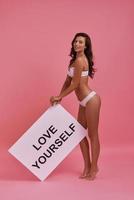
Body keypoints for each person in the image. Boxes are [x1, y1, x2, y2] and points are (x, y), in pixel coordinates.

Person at [50, 32, 101, 181]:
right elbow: (67, 81)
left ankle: (94, 167)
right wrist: (59, 97)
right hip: (83, 102)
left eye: (80, 42)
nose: (77, 44)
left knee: (93, 135)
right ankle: (87, 166)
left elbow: (76, 84)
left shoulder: (81, 61)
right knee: (78, 135)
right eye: (75, 41)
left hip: (91, 100)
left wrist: (60, 97)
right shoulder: (73, 61)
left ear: (85, 46)